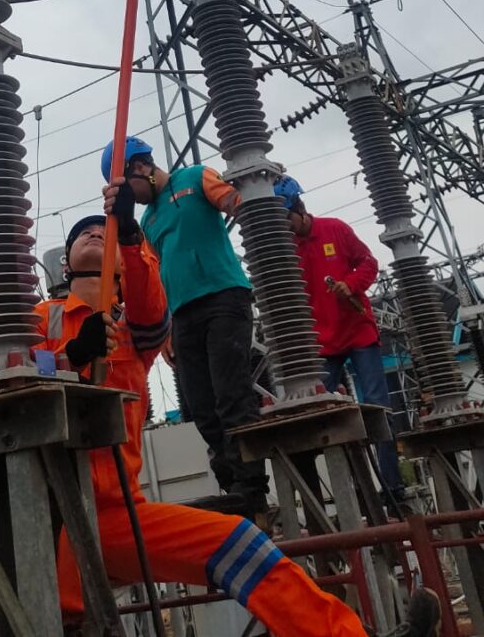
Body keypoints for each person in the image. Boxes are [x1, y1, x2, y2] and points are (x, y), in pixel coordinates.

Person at [35, 204, 369, 637]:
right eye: (85, 233)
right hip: (56, 511)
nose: (96, 234)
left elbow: (153, 310)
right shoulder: (43, 318)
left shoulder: (133, 329)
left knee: (242, 546)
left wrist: (134, 237)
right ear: (66, 261)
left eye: (107, 232)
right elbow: (20, 377)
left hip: (114, 513)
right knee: (62, 619)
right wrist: (74, 356)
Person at [101, 135, 267, 518]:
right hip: (183, 314)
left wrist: (257, 195)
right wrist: (167, 333)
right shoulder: (148, 219)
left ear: (141, 167)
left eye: (131, 187)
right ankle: (231, 481)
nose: (135, 197)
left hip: (225, 296)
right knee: (201, 406)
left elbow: (237, 203)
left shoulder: (196, 178)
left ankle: (251, 486)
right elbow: (155, 275)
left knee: (231, 396)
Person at [275, 175, 404, 507]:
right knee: (315, 412)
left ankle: (393, 490)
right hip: (323, 343)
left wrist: (351, 283)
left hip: (358, 332)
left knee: (377, 406)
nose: (286, 228)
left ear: (299, 209)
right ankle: (352, 494)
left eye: (287, 219)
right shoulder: (287, 250)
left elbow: (369, 262)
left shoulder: (335, 230)